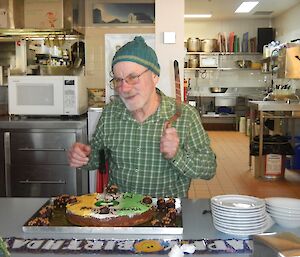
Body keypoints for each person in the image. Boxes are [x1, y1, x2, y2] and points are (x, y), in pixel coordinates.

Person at [68, 36, 216, 197]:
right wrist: (84, 156)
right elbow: (97, 157)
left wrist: (177, 155)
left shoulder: (185, 116)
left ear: (154, 76)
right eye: (118, 80)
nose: (124, 88)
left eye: (133, 77)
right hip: (119, 210)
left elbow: (209, 168)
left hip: (165, 213)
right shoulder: (111, 113)